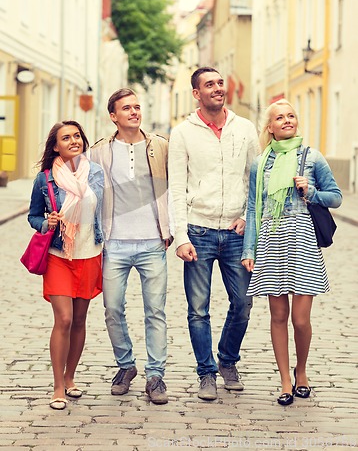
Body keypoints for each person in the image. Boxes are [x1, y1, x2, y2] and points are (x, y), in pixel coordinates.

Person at [241, 99, 342, 406]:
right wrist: (249, 249)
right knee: (278, 316)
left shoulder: (313, 158)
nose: (286, 120)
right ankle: (285, 380)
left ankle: (302, 371)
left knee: (300, 320)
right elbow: (253, 207)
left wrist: (311, 192)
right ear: (269, 127)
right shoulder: (261, 163)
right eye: (279, 117)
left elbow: (335, 198)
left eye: (291, 115)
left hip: (302, 241)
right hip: (272, 242)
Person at [168, 67, 259, 400]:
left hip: (236, 232)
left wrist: (249, 218)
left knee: (243, 303)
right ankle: (206, 373)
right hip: (198, 230)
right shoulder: (183, 133)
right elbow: (176, 187)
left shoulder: (245, 129)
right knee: (198, 309)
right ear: (196, 93)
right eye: (210, 84)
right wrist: (181, 236)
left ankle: (227, 359)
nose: (218, 88)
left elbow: (255, 180)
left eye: (220, 83)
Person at [91, 88, 172, 405]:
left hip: (153, 241)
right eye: (127, 108)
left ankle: (156, 376)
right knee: (112, 309)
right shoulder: (99, 151)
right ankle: (126, 365)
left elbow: (175, 188)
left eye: (137, 106)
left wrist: (171, 230)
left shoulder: (160, 147)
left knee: (155, 312)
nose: (134, 112)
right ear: (113, 116)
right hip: (115, 244)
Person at [28, 121, 104, 410]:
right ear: (56, 146)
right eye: (66, 138)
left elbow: (104, 212)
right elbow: (33, 216)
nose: (73, 141)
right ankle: (58, 386)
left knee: (81, 320)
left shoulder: (96, 173)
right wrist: (46, 222)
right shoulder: (45, 178)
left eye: (77, 136)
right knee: (64, 319)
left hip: (89, 254)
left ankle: (70, 378)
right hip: (59, 256)